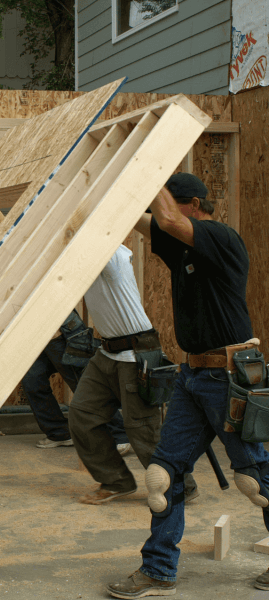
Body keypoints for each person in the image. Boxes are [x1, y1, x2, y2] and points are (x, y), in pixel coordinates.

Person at [107, 173, 269, 598]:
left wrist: (147, 166)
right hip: (194, 374)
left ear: (194, 205)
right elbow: (150, 220)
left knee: (255, 478)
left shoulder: (220, 236)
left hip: (230, 375)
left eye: (172, 208)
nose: (163, 218)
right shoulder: (181, 246)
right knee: (163, 475)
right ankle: (158, 570)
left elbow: (165, 218)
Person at [66, 243, 198, 506]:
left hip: (135, 353)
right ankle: (116, 481)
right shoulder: (78, 259)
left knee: (142, 429)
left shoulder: (111, 254)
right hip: (106, 353)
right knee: (82, 415)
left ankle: (180, 485)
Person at [22, 309, 131, 454]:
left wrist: (57, 328)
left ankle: (119, 435)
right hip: (34, 334)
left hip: (59, 331)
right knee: (32, 381)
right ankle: (59, 433)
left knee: (82, 384)